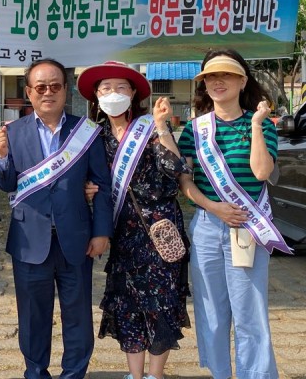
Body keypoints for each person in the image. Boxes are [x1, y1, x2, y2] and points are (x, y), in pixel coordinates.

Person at [0, 58, 113, 379]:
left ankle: (74, 373)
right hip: (30, 241)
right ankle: (35, 372)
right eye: (41, 87)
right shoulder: (12, 133)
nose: (48, 93)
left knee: (78, 317)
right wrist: (1, 157)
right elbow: (5, 184)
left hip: (76, 240)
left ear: (65, 90)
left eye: (55, 86)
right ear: (29, 92)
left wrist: (102, 232)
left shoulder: (86, 132)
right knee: (33, 317)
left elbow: (102, 186)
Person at [178, 49, 290, 379]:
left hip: (247, 228)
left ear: (242, 81)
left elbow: (260, 172)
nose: (218, 81)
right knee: (210, 311)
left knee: (249, 312)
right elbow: (184, 180)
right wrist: (213, 207)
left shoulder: (263, 126)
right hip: (208, 226)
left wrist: (255, 124)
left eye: (226, 75)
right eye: (211, 76)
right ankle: (219, 373)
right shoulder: (194, 129)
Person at [77, 61, 191, 379]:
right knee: (127, 304)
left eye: (121, 87)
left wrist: (162, 125)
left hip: (158, 232)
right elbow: (87, 180)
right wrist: (87, 190)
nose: (113, 93)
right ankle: (134, 374)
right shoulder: (92, 136)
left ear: (134, 93)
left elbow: (175, 171)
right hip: (122, 235)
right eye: (105, 88)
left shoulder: (149, 128)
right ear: (96, 96)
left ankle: (154, 375)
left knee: (161, 303)